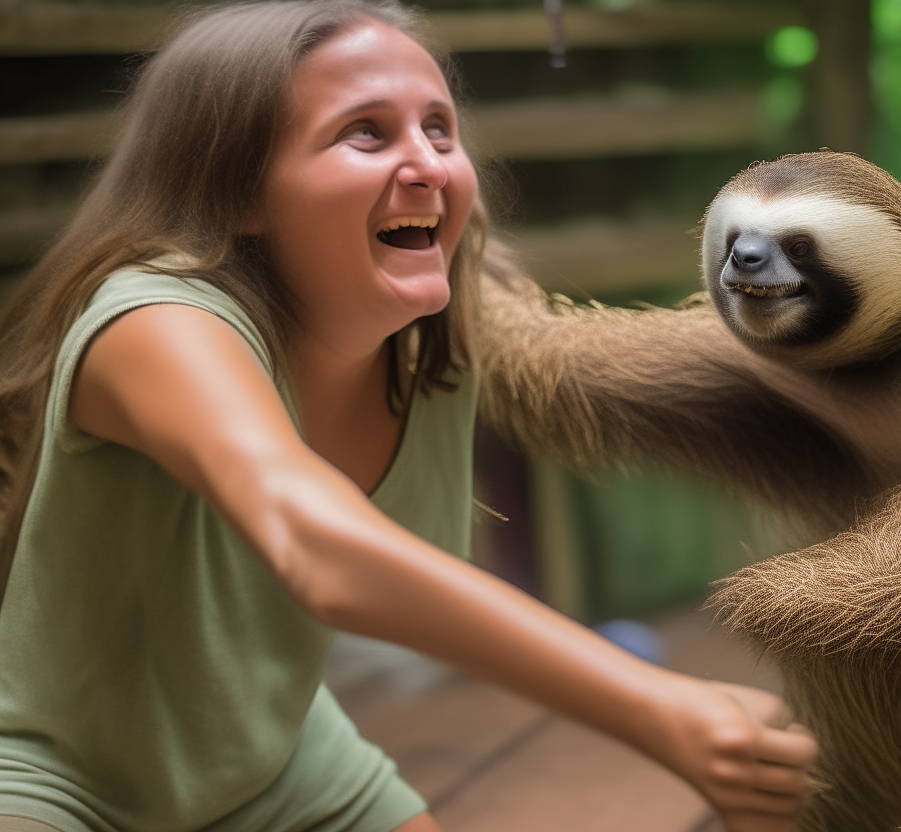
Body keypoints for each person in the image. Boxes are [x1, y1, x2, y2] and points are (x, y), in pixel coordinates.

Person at [0, 3, 817, 831]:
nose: (426, 163)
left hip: (279, 764)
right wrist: (657, 706)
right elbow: (314, 543)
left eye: (439, 128)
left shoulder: (444, 321)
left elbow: (610, 369)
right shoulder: (154, 321)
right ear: (239, 190)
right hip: (61, 776)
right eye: (366, 132)